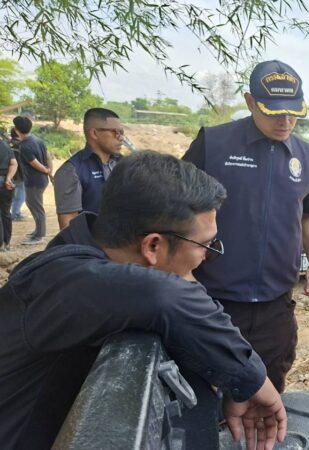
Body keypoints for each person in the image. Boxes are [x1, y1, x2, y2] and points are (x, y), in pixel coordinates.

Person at [0, 151, 288, 450]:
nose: (206, 255)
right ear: (152, 245)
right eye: (204, 245)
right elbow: (167, 296)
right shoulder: (68, 280)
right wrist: (252, 381)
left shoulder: (85, 252)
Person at [183, 60, 309, 393]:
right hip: (213, 299)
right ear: (249, 102)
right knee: (206, 392)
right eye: (274, 113)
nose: (285, 122)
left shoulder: (308, 156)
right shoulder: (213, 144)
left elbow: (308, 212)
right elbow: (175, 204)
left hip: (276, 305)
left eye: (293, 113)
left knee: (269, 388)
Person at [54, 108, 124, 229]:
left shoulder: (125, 164)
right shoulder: (72, 170)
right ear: (94, 133)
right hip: (93, 245)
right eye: (115, 132)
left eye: (122, 132)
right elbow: (69, 223)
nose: (121, 138)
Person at [13, 115, 52, 245]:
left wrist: (46, 170)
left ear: (17, 129)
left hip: (34, 182)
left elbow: (34, 163)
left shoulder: (24, 145)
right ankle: (38, 231)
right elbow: (48, 156)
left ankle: (39, 236)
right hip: (41, 180)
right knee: (33, 205)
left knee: (36, 208)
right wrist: (49, 170)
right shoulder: (38, 140)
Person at [0, 137, 18, 251]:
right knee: (6, 213)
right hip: (7, 184)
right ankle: (7, 243)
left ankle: (0, 245)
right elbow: (13, 163)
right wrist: (8, 178)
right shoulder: (6, 146)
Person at [8, 127, 26, 221]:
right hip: (19, 174)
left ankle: (14, 212)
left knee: (13, 195)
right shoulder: (21, 145)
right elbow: (20, 162)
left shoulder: (8, 143)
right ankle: (15, 214)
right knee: (21, 196)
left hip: (9, 174)